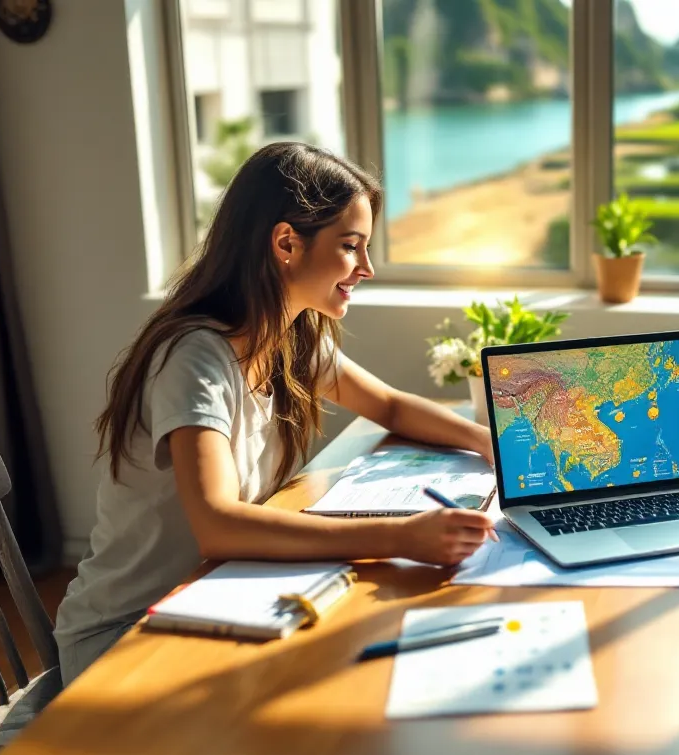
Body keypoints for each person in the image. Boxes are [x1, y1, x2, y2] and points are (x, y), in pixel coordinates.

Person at [54, 143, 497, 683]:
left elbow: (388, 405)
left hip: (219, 598)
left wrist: (488, 441)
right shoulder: (195, 358)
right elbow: (217, 524)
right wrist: (403, 536)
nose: (367, 268)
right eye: (351, 246)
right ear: (287, 242)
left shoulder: (290, 334)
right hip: (130, 635)